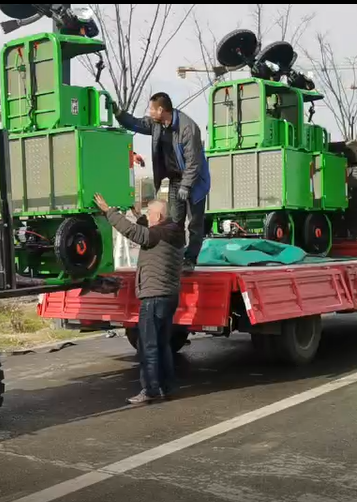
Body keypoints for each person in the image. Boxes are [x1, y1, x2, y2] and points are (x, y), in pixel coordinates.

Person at [94, 192, 184, 404]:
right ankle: (168, 387)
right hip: (168, 296)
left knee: (148, 346)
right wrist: (138, 215)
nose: (147, 215)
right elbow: (147, 230)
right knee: (162, 344)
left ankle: (150, 389)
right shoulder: (172, 232)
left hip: (153, 297)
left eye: (149, 213)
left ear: (158, 217)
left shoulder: (157, 234)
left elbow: (134, 232)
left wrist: (109, 211)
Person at [113, 92, 211, 272]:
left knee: (194, 224)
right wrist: (119, 114)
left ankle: (190, 259)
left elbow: (194, 162)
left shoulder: (188, 128)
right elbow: (137, 123)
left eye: (152, 109)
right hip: (175, 179)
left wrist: (187, 185)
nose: (149, 112)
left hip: (195, 180)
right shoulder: (156, 124)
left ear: (161, 110)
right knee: (175, 221)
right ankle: (176, 256)